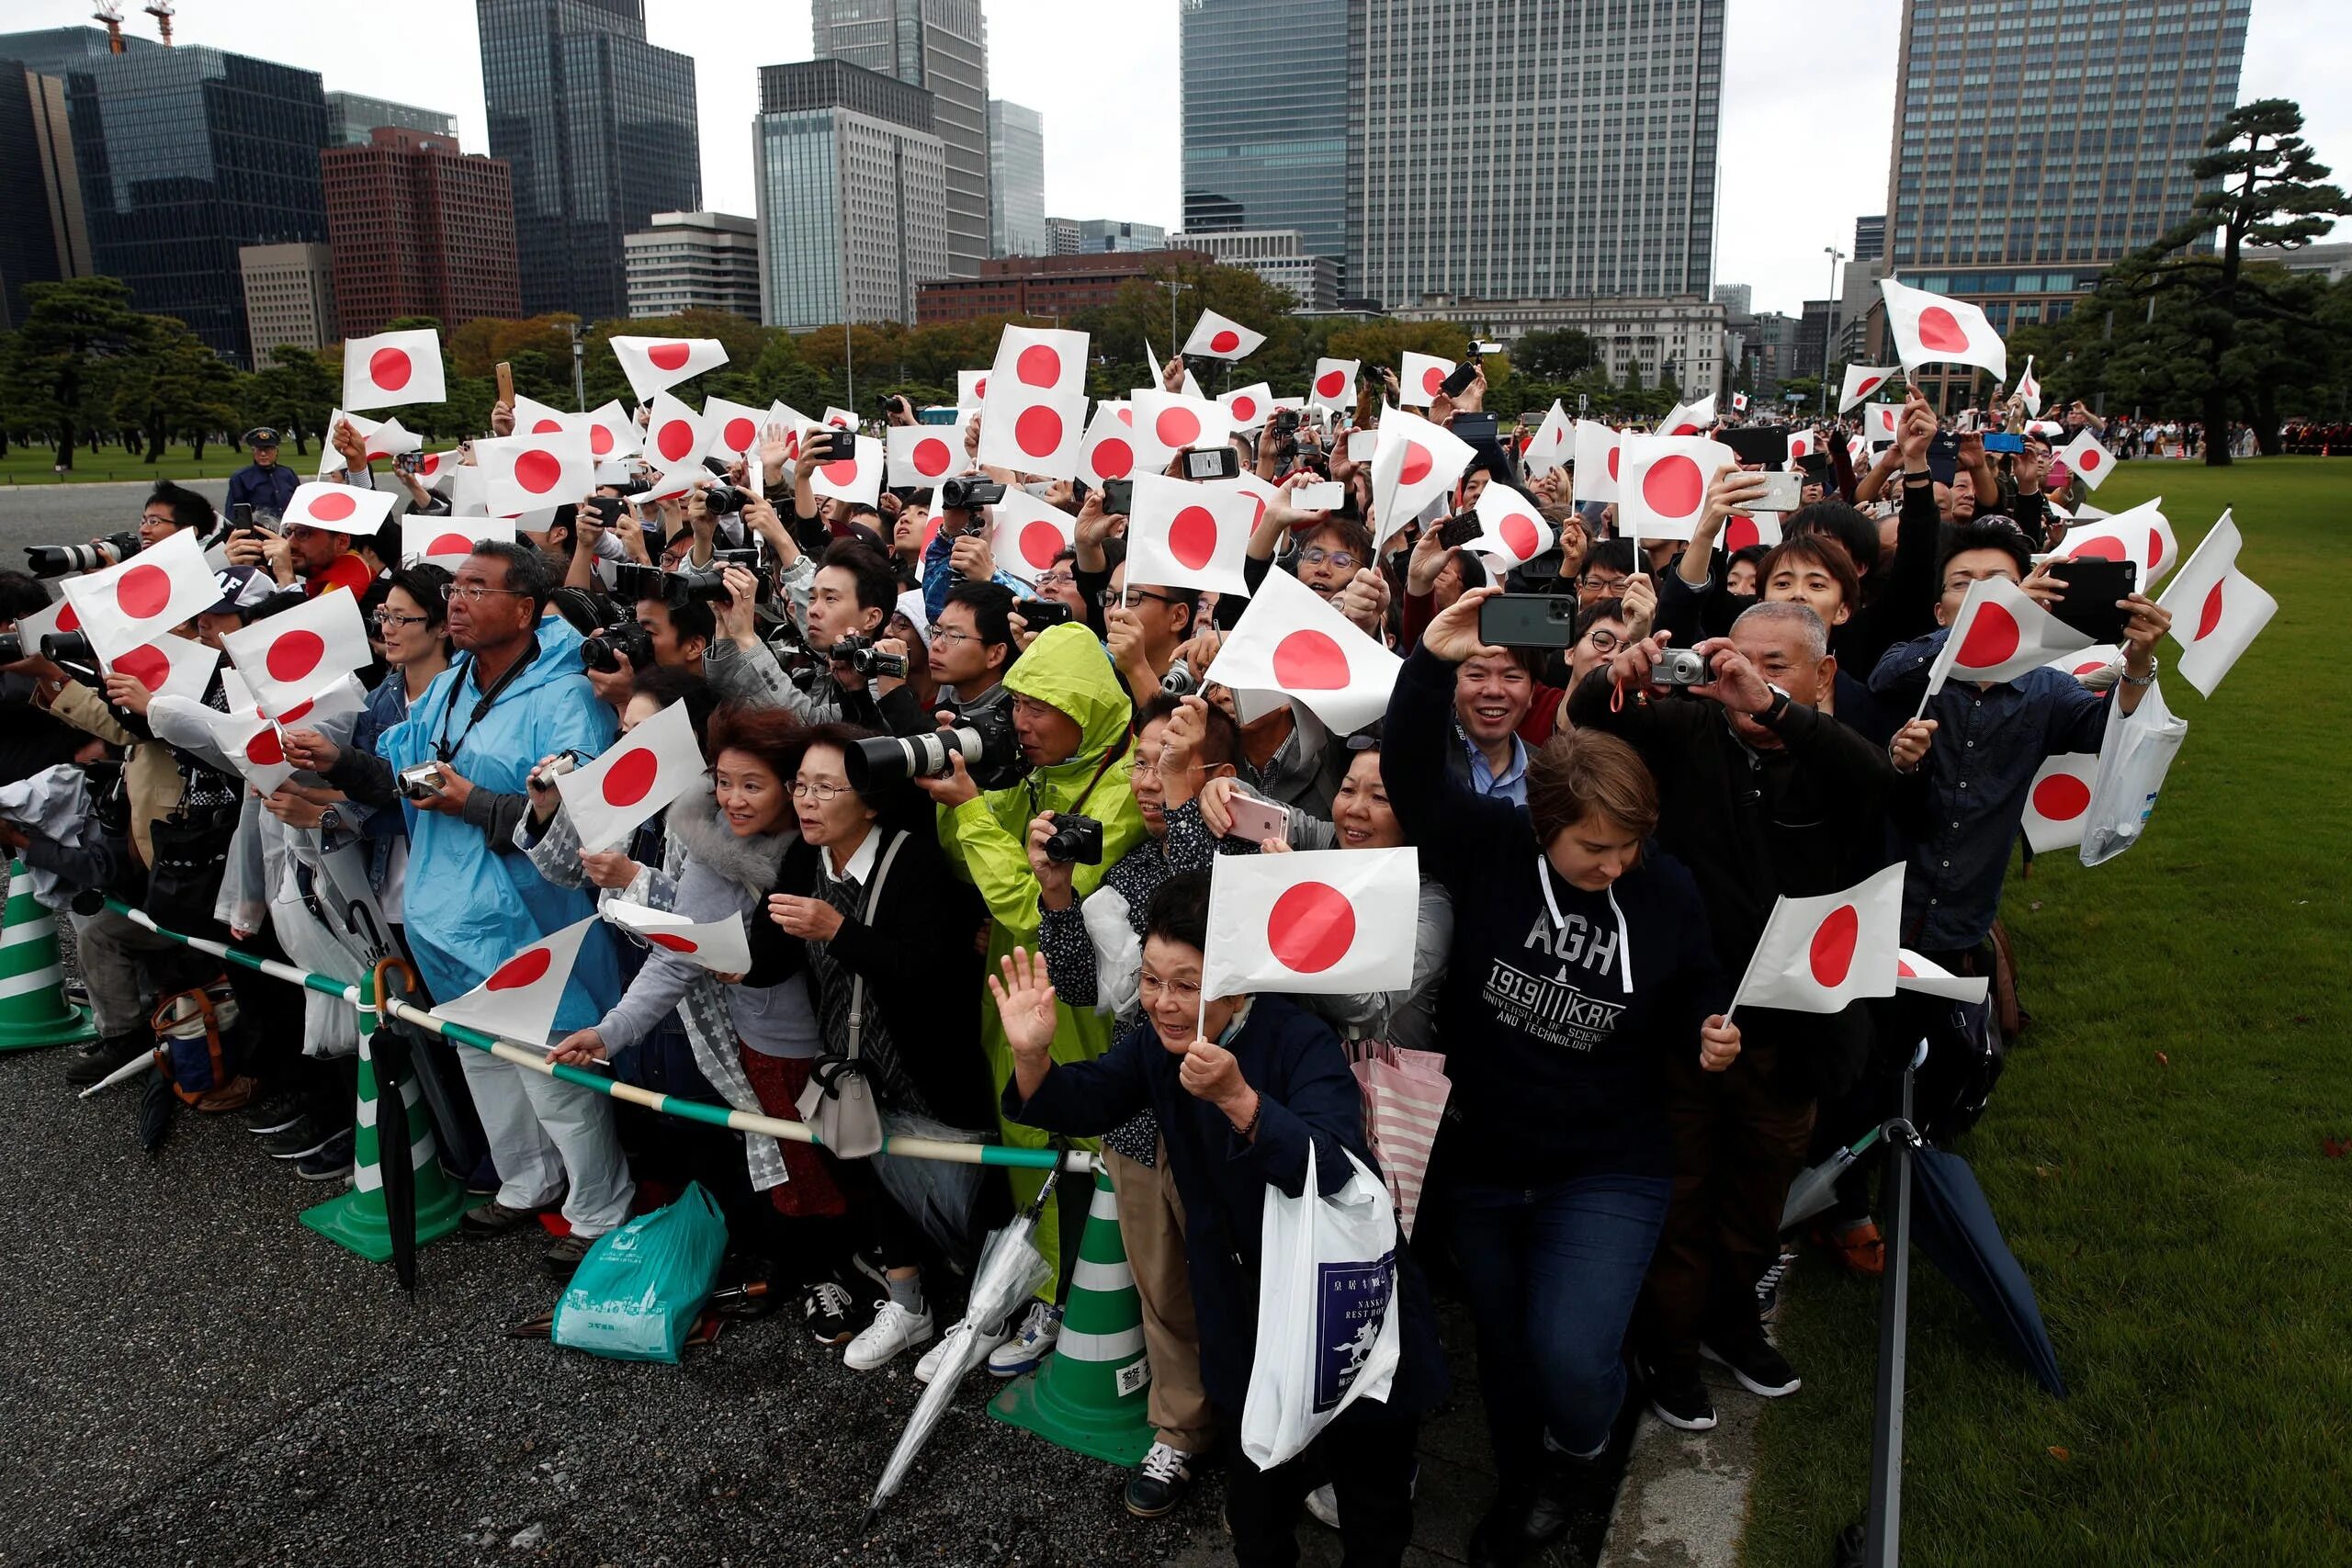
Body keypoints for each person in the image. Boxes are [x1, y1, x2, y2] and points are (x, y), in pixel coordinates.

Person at [1384, 584, 1741, 1566]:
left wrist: (1710, 1036)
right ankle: (1523, 1485)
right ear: (1543, 828)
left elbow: (1697, 993)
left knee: (1570, 1354)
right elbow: (1412, 778)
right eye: (1593, 848)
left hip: (1607, 1164)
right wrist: (1430, 659)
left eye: (1630, 845)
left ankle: (1582, 1445)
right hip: (1487, 1160)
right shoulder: (1491, 847)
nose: (1614, 865)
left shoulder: (1661, 890)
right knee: (1502, 1348)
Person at [989, 874, 1447, 1568]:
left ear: (1237, 978)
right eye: (1150, 979)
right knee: (1256, 1506)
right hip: (1241, 1310)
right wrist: (1032, 1057)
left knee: (1371, 1498)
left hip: (1338, 1304)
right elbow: (1092, 1097)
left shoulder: (1300, 1040)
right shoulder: (1155, 1041)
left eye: (1187, 983)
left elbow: (1337, 1168)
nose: (1164, 1003)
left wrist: (1240, 1099)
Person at [1571, 601, 1917, 1432]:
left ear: (1823, 674)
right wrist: (1614, 681)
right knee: (1684, 1194)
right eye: (1740, 659)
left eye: (1777, 664)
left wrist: (1775, 711)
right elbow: (1585, 728)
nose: (1748, 679)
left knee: (1760, 1196)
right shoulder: (1689, 729)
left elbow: (1880, 783)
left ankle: (1734, 1327)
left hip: (1798, 1029)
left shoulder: (1833, 756)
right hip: (1694, 1019)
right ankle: (1674, 1351)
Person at [287, 541, 632, 1279]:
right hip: (446, 912)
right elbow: (407, 778)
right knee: (481, 1057)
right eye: (456, 588)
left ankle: (602, 1209)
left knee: (553, 1069)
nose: (457, 600)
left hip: (526, 917)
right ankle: (526, 1180)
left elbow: (579, 820)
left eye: (478, 588)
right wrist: (337, 762)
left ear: (526, 608)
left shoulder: (567, 694)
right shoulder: (447, 685)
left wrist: (470, 800)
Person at [1015, 691, 1238, 1514]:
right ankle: (1180, 1432)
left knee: (1242, 1284)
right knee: (1165, 1293)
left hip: (1229, 1117)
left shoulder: (1246, 853)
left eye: (1171, 760)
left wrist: (1189, 803)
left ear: (1220, 776)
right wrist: (1058, 894)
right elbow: (1080, 987)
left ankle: (1266, 1425)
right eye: (1142, 761)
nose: (1149, 778)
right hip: (1140, 1119)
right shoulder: (1128, 865)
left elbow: (1203, 894)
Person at [921, 621, 1147, 1374]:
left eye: (1039, 708)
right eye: (1017, 704)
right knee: (1024, 1142)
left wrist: (976, 814)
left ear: (1083, 707)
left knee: (1083, 1147)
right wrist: (973, 793)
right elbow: (962, 860)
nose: (1021, 722)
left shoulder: (1121, 791)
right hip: (1017, 995)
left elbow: (1035, 906)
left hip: (1083, 1005)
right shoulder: (1039, 772)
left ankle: (1082, 1302)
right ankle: (1039, 1286)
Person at [765, 722, 998, 1370]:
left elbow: (929, 970)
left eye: (824, 787)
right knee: (877, 1177)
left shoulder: (914, 860)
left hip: (924, 1060)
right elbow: (767, 950)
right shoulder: (801, 857)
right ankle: (908, 1304)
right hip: (851, 1059)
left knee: (963, 1194)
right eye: (800, 785)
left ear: (870, 798)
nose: (806, 801)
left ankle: (983, 1312)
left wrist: (838, 929)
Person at [1868, 520, 2172, 970]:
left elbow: (2107, 730)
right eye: (1963, 584)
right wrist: (1989, 620)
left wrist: (2140, 661)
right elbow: (1883, 678)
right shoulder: (1917, 668)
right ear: (1940, 613)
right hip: (1881, 897)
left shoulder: (2045, 690)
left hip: (1965, 910)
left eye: (2001, 585)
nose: (1983, 594)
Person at [227, 427, 300, 522]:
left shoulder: (288, 474)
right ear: (253, 452)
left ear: (276, 451)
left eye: (268, 449)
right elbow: (233, 515)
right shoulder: (241, 478)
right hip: (258, 532)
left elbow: (299, 506)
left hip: (288, 530)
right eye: (258, 450)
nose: (263, 454)